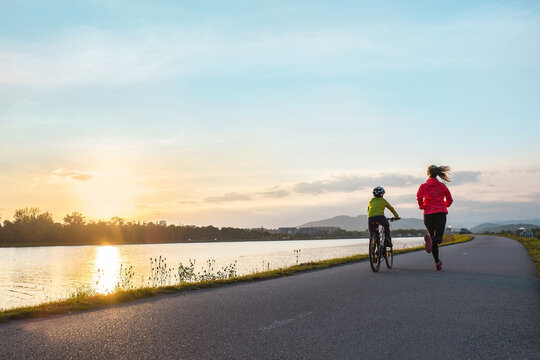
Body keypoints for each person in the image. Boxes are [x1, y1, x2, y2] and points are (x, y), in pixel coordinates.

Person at [416, 165, 453, 271]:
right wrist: (445, 205)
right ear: (437, 174)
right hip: (440, 213)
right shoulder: (441, 186)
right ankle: (432, 242)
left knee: (433, 239)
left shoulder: (423, 186)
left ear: (427, 174)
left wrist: (422, 206)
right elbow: (449, 199)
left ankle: (437, 262)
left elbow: (419, 197)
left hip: (427, 215)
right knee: (438, 239)